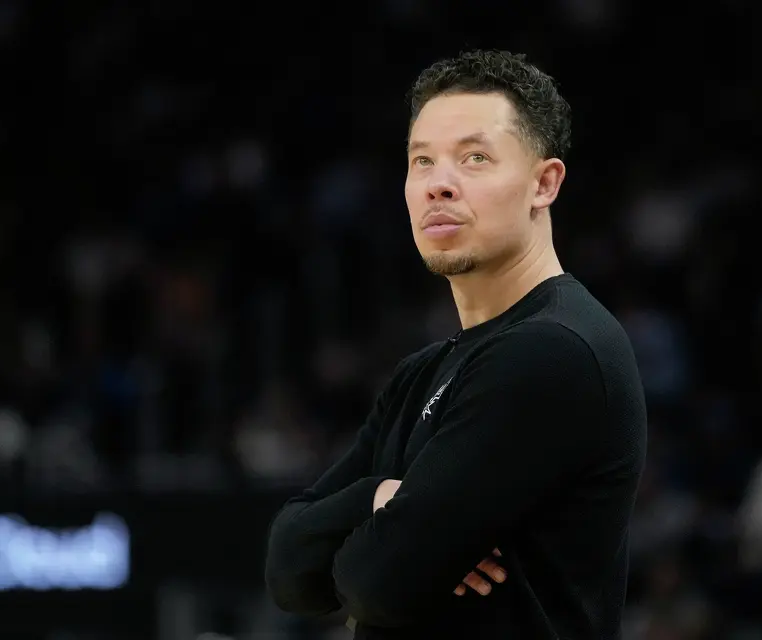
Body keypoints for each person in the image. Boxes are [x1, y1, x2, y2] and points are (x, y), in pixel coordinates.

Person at [264, 49, 647, 639]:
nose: (439, 184)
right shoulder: (424, 371)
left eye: (474, 158)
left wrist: (384, 535)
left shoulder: (553, 350)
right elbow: (286, 569)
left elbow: (378, 585)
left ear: (544, 183)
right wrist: (377, 498)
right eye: (422, 161)